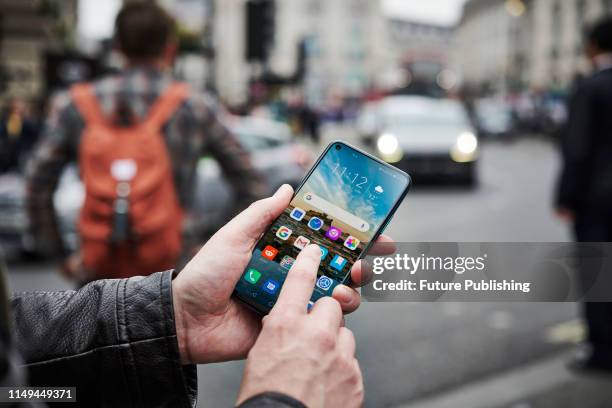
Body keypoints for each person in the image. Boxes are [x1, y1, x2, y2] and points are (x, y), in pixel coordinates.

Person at [2, 185, 393, 407]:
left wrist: (176, 316)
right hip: (166, 252)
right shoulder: (191, 106)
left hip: (106, 260)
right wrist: (282, 399)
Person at [25, 2, 266, 283]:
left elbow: (36, 182)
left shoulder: (76, 105)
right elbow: (250, 181)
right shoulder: (192, 106)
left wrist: (59, 253)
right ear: (170, 48)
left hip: (99, 274)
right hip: (172, 273)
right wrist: (209, 246)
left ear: (117, 46)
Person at [556, 17, 612, 373]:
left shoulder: (591, 87)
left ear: (593, 45)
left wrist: (565, 198)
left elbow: (577, 149)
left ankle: (602, 351)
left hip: (599, 201)